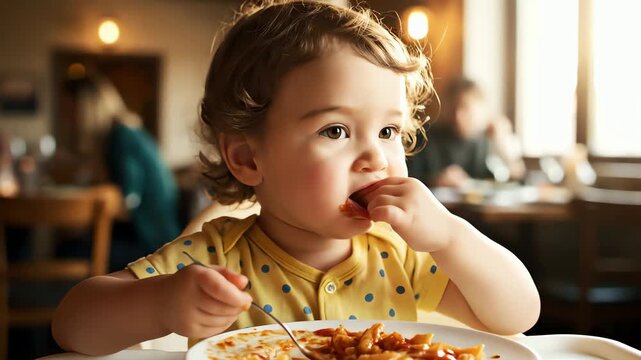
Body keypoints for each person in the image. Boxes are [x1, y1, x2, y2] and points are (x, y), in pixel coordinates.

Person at [52, 1, 540, 355]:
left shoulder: (402, 256)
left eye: (390, 129)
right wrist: (162, 303)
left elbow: (519, 315)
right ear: (247, 158)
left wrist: (451, 234)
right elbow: (73, 325)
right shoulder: (216, 259)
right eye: (336, 130)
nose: (376, 157)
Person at [60, 75, 182, 270]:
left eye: (71, 110)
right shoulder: (123, 132)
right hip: (145, 235)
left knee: (68, 250)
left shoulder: (121, 137)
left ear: (87, 110)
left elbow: (129, 199)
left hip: (151, 242)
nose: (67, 119)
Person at [408, 77, 526, 188]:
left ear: (482, 109)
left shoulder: (485, 140)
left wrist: (503, 141)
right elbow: (408, 179)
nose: (458, 116)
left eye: (465, 107)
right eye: (453, 108)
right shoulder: (424, 136)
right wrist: (436, 181)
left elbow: (517, 180)